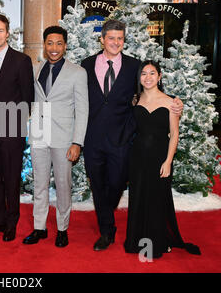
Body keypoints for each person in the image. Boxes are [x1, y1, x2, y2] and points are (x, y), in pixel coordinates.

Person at [81, 19, 183, 251]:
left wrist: (175, 102)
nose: (115, 42)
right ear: (102, 39)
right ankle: (107, 231)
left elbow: (150, 91)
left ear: (123, 40)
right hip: (93, 137)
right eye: (111, 38)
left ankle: (106, 216)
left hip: (122, 139)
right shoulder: (86, 65)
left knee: (116, 184)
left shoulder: (133, 66)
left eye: (119, 38)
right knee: (97, 185)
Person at [124, 60, 201, 259]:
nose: (147, 77)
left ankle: (158, 242)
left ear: (159, 77)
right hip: (138, 157)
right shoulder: (135, 100)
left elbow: (174, 134)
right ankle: (137, 241)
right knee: (139, 197)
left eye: (152, 73)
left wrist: (168, 161)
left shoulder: (171, 102)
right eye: (143, 74)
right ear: (139, 78)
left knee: (157, 199)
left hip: (160, 157)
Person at [23, 26, 88, 248]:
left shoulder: (77, 73)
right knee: (39, 185)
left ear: (65, 45)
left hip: (64, 138)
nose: (54, 48)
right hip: (39, 135)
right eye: (50, 43)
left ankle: (62, 228)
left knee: (63, 185)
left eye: (59, 43)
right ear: (44, 45)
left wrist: (77, 142)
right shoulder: (35, 69)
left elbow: (83, 110)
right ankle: (39, 227)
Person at [0, 14, 34, 242]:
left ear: (8, 32)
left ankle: (12, 223)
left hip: (12, 131)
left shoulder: (21, 60)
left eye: (0, 30)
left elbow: (28, 98)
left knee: (11, 179)